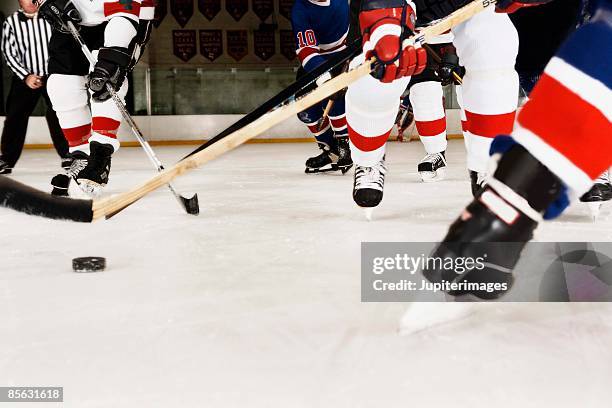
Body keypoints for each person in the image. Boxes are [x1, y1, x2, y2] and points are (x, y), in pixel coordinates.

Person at [347, 0, 521, 215]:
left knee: (495, 48)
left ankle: (488, 161)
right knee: (378, 76)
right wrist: (384, 24)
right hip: (399, 10)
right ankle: (368, 160)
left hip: (466, 6)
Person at [35, 0, 143, 196]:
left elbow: (127, 10)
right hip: (70, 15)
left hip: (118, 18)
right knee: (60, 85)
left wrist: (113, 56)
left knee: (108, 80)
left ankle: (100, 155)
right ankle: (81, 154)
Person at [0, 0, 69, 175]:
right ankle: (6, 159)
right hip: (25, 78)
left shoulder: (51, 16)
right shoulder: (11, 22)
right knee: (15, 117)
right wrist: (26, 76)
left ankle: (69, 154)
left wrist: (57, 70)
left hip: (52, 75)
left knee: (59, 114)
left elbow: (62, 45)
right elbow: (9, 52)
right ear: (19, 1)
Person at [291, 0, 353, 174]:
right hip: (316, 61)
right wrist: (324, 78)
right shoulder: (300, 9)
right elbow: (306, 50)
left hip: (344, 54)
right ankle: (331, 149)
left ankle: (343, 144)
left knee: (336, 97)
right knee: (304, 107)